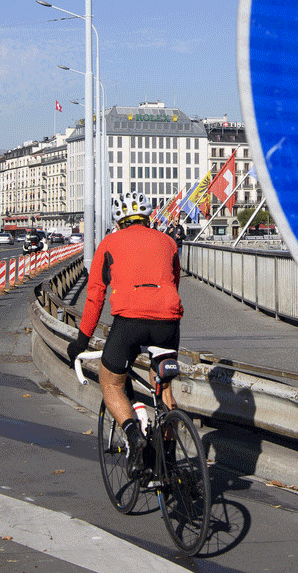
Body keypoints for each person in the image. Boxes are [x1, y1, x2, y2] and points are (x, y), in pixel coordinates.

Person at [67, 191, 182, 475]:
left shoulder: (109, 243)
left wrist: (81, 342)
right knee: (165, 388)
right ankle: (167, 458)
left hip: (129, 321)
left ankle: (134, 437)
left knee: (112, 383)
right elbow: (174, 281)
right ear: (147, 218)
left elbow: (95, 296)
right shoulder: (168, 241)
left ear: (119, 222)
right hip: (168, 321)